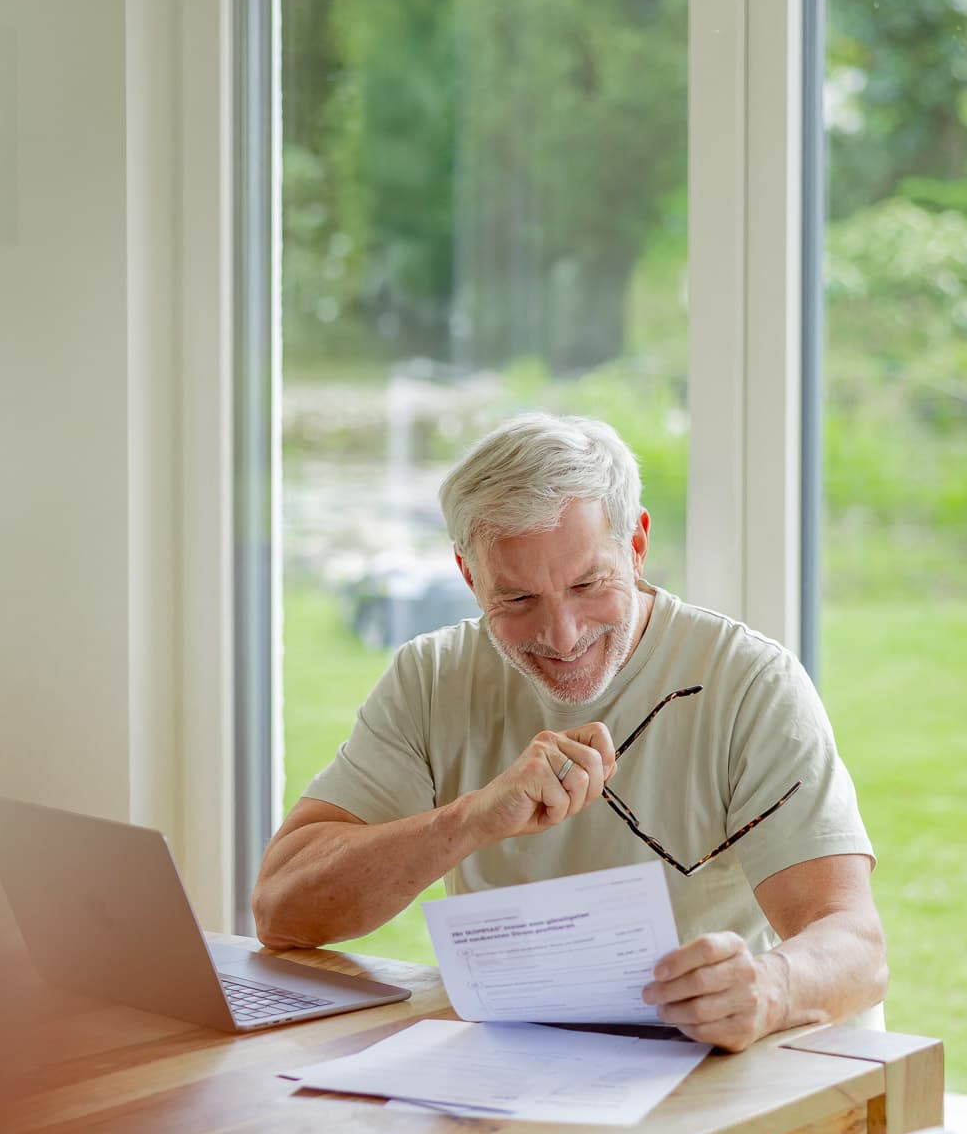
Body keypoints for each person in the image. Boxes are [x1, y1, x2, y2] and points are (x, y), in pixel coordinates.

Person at [251, 413, 888, 1051]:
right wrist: (473, 818)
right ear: (469, 577)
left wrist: (769, 988)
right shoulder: (432, 677)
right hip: (517, 1069)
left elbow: (856, 948)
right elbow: (282, 910)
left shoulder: (749, 681)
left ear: (636, 545)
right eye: (518, 600)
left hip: (704, 1067)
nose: (562, 635)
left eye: (588, 584)